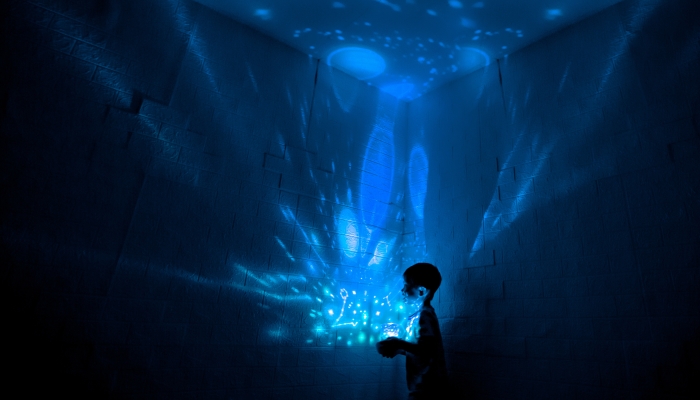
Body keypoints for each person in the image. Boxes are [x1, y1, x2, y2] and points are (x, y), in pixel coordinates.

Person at [376, 262, 448, 399]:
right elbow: (420, 349)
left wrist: (399, 344)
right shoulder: (415, 317)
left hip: (428, 387)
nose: (402, 290)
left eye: (406, 285)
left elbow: (427, 349)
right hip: (419, 385)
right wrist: (398, 349)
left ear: (421, 291)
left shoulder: (425, 315)